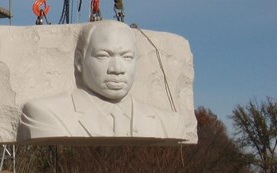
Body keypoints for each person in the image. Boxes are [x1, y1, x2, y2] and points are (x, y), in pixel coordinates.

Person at [17, 20, 183, 143]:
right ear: (79, 61)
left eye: (127, 57)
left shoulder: (168, 122)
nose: (117, 69)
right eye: (103, 56)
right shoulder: (45, 113)